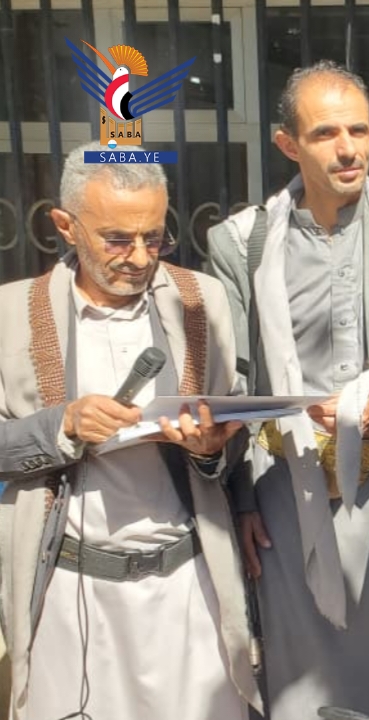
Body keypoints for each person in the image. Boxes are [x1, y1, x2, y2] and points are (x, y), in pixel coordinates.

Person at [207, 61, 369, 719]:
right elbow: (235, 383)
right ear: (288, 144)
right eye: (326, 134)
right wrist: (242, 500)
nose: (348, 149)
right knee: (302, 685)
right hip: (286, 497)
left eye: (359, 130)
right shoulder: (243, 244)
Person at [0, 143, 260, 719]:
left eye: (155, 237)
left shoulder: (201, 300)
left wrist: (209, 449)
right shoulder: (11, 313)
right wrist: (62, 425)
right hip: (69, 594)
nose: (140, 257)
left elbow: (232, 431)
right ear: (65, 225)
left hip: (189, 588)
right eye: (117, 239)